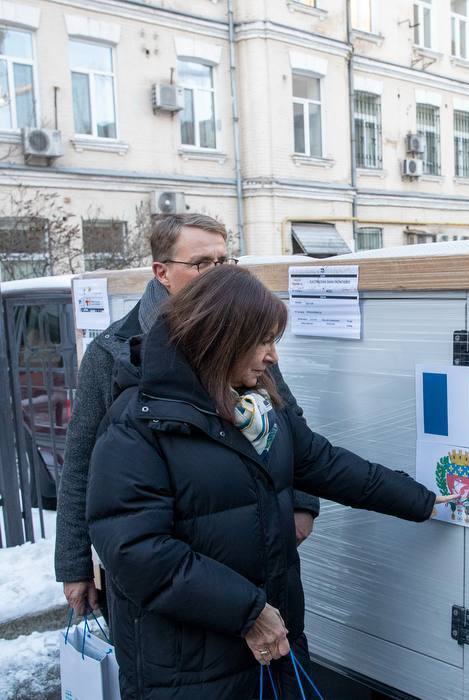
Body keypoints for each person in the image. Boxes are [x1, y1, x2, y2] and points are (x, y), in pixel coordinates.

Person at [86, 265, 456, 699]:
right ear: (220, 338)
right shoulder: (139, 424)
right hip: (190, 668)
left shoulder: (257, 408)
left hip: (274, 641)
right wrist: (248, 611)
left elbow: (324, 463)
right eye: (263, 341)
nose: (273, 357)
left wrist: (419, 499)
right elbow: (136, 552)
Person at [54, 214, 322, 629]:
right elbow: (80, 461)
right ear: (162, 272)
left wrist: (302, 503)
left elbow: (286, 421)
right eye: (201, 264)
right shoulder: (112, 351)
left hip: (250, 551)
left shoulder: (242, 335)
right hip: (166, 569)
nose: (217, 273)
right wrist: (74, 564)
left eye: (223, 261)